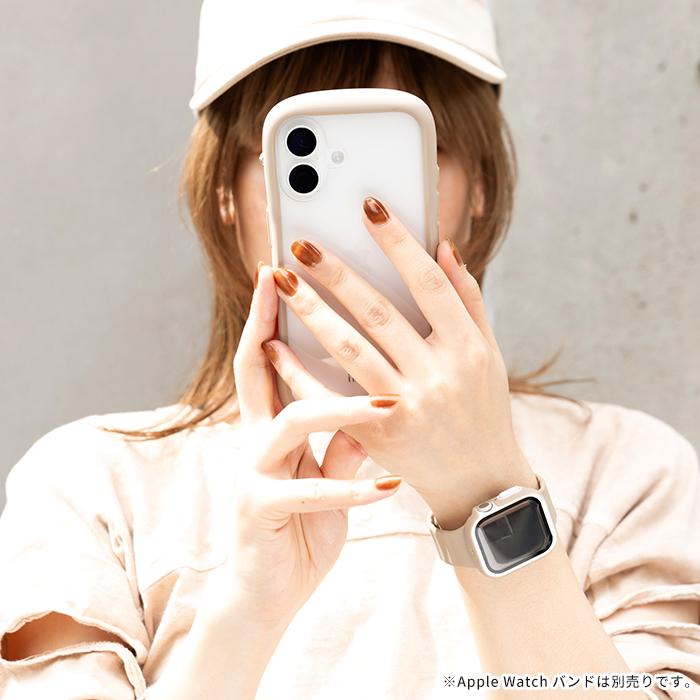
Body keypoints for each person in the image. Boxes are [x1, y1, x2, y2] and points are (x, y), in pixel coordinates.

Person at [1, 1, 699, 698]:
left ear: (479, 186)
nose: (360, 214)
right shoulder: (95, 489)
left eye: (405, 158)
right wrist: (246, 609)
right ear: (225, 192)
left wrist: (487, 496)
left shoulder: (624, 473)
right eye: (300, 158)